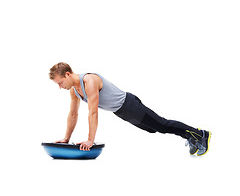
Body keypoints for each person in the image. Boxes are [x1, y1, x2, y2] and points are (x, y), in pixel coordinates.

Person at [49, 62, 211, 156]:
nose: (60, 87)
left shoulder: (89, 81)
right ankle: (192, 136)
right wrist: (66, 138)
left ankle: (199, 134)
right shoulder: (74, 91)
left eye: (60, 83)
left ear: (68, 74)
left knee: (162, 125)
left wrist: (90, 140)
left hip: (129, 104)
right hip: (121, 112)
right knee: (152, 130)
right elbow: (73, 114)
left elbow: (93, 112)